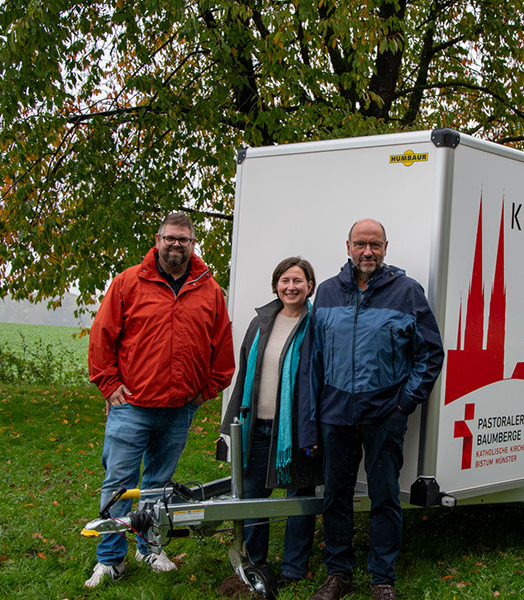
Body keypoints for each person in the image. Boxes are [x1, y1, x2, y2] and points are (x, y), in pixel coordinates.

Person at [85, 212, 235, 588]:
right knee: (118, 484)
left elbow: (223, 350)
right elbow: (103, 335)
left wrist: (202, 393)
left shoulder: (209, 290)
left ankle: (149, 547)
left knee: (158, 486)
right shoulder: (129, 283)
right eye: (170, 238)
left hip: (178, 409)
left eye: (183, 239)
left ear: (192, 244)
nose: (176, 245)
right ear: (157, 239)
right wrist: (108, 384)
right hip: (131, 406)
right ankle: (110, 560)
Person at [300, 219, 444, 600]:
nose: (368, 252)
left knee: (384, 497)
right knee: (336, 496)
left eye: (375, 245)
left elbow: (430, 353)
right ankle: (338, 575)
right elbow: (312, 363)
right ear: (347, 246)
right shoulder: (328, 293)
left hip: (384, 414)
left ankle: (382, 580)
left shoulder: (407, 292)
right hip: (335, 415)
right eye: (361, 244)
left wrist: (405, 402)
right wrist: (311, 421)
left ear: (385, 248)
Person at [221, 256, 322, 587]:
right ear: (276, 286)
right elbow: (244, 375)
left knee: (298, 499)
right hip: (258, 426)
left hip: (297, 430)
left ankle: (294, 569)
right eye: (285, 281)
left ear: (310, 286)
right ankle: (257, 562)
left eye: (298, 281)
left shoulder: (317, 325)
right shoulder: (262, 321)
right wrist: (231, 423)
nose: (291, 287)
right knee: (252, 498)